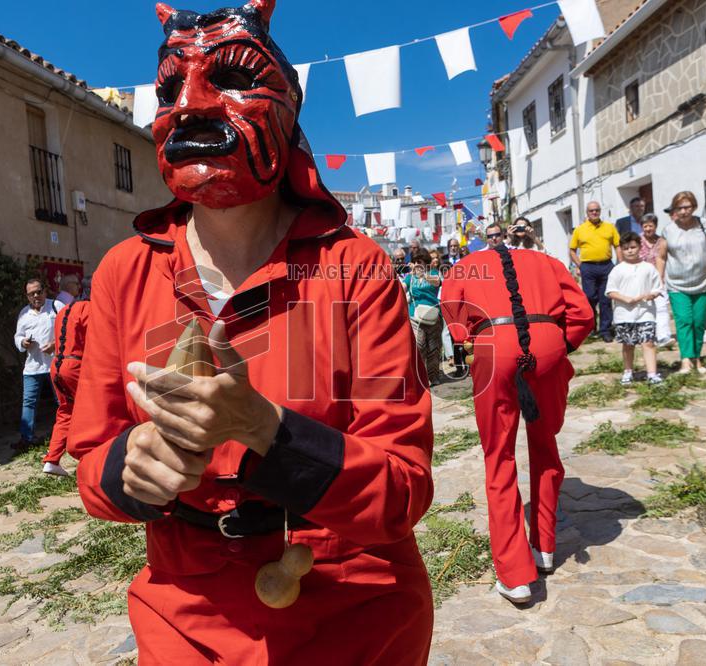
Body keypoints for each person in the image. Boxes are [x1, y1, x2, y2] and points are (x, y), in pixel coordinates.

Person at [67, 1, 435, 663]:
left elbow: (402, 489)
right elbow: (92, 463)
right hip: (184, 610)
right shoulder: (125, 271)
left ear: (288, 110)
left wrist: (267, 429)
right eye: (169, 90)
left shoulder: (354, 268)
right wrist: (133, 464)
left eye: (233, 79)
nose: (191, 105)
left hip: (351, 606)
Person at [441, 244, 593, 604]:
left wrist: (467, 340)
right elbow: (583, 314)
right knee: (546, 446)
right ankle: (545, 549)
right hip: (547, 347)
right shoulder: (547, 261)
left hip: (494, 345)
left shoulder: (466, 265)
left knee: (499, 459)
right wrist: (560, 345)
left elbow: (454, 316)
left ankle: (515, 576)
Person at [656, 192, 706, 375]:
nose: (683, 211)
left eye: (687, 207)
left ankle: (697, 357)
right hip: (677, 284)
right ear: (674, 210)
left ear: (693, 207)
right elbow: (661, 257)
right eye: (679, 208)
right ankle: (686, 359)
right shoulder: (668, 230)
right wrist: (659, 278)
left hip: (703, 282)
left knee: (699, 322)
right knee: (684, 320)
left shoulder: (704, 225)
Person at [606, 232, 664, 385]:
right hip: (624, 314)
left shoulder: (648, 268)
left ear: (639, 247)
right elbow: (610, 291)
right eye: (626, 248)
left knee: (648, 342)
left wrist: (652, 295)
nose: (630, 251)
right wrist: (626, 299)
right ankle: (628, 371)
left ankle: (652, 373)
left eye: (633, 247)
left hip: (646, 312)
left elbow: (657, 288)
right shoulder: (618, 270)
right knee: (628, 344)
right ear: (621, 250)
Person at [13, 279, 64, 451]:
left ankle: (69, 434)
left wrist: (55, 345)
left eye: (38, 291)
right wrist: (23, 342)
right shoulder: (24, 314)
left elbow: (69, 328)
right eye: (31, 293)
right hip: (33, 366)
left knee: (61, 400)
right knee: (29, 402)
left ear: (44, 291)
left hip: (55, 364)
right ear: (27, 296)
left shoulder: (56, 306)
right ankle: (26, 439)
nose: (36, 295)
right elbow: (18, 336)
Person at [43, 298, 90, 476]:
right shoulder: (89, 309)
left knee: (66, 411)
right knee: (91, 411)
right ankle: (88, 457)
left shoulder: (62, 311)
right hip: (75, 366)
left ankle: (52, 460)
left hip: (57, 365)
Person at [569, 201, 622, 342]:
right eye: (591, 210)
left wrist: (619, 264)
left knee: (606, 299)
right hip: (588, 267)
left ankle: (606, 330)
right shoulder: (580, 229)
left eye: (597, 210)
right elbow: (572, 250)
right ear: (587, 213)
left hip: (606, 266)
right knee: (589, 298)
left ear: (600, 211)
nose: (594, 212)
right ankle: (592, 327)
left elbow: (617, 245)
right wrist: (580, 266)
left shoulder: (609, 227)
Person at [404, 247, 444, 386]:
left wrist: (423, 275)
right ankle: (419, 377)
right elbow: (402, 288)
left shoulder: (433, 273)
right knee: (419, 346)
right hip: (415, 316)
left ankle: (434, 376)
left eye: (420, 261)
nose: (417, 264)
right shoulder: (410, 277)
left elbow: (437, 282)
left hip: (433, 315)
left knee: (434, 348)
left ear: (426, 262)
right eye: (415, 262)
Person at [638, 214, 674, 347]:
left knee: (661, 307)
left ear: (656, 226)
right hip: (640, 279)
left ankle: (664, 336)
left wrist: (660, 279)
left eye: (650, 226)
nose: (648, 229)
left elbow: (664, 259)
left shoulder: (661, 241)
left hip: (658, 278)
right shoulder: (637, 241)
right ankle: (645, 336)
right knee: (643, 308)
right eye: (645, 226)